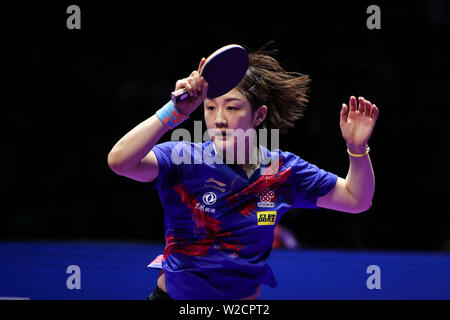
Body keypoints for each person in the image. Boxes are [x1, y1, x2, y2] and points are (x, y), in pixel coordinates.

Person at [107, 46, 379, 300]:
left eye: (232, 107)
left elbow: (357, 200)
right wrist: (173, 112)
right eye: (210, 107)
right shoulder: (182, 159)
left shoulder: (282, 170)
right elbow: (120, 161)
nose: (219, 118)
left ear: (259, 116)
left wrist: (357, 148)